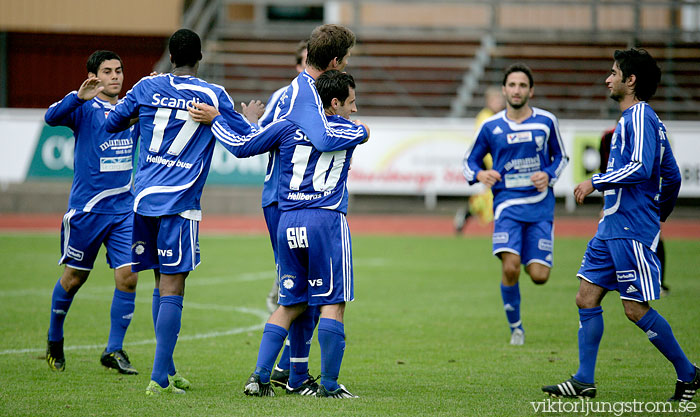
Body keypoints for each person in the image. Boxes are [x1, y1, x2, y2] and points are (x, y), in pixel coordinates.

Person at [105, 28, 262, 396]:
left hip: (142, 200)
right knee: (174, 285)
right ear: (200, 58)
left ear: (170, 57)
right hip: (179, 203)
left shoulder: (146, 86)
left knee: (160, 282)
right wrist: (250, 120)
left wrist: (147, 102)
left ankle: (169, 369)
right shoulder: (214, 95)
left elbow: (113, 123)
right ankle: (158, 380)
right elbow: (244, 143)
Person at [542, 49, 697, 401]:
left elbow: (644, 168)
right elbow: (670, 177)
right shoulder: (638, 120)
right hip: (612, 225)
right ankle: (584, 380)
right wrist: (657, 212)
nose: (607, 78)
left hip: (629, 229)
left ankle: (689, 374)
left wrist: (597, 182)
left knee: (634, 308)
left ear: (631, 81)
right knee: (586, 296)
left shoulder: (639, 117)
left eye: (614, 73)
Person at [44, 50, 140, 375]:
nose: (115, 76)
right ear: (94, 76)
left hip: (124, 210)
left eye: (119, 70)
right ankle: (54, 338)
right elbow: (51, 117)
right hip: (87, 212)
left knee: (128, 278)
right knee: (74, 278)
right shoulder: (84, 108)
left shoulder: (132, 109)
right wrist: (76, 97)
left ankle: (113, 350)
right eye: (108, 71)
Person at [462, 63, 568, 346]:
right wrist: (480, 174)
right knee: (510, 268)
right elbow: (468, 162)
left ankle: (526, 253)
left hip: (540, 208)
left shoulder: (546, 122)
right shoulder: (490, 126)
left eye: (522, 85)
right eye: (512, 85)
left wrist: (548, 174)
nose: (517, 90)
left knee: (539, 276)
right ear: (504, 90)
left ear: (530, 91)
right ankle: (516, 328)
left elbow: (561, 157)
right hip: (506, 206)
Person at [600, 127, 669, 295]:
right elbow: (604, 168)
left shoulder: (647, 133)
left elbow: (663, 172)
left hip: (641, 199)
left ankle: (657, 282)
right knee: (609, 238)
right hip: (616, 199)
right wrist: (605, 203)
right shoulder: (607, 137)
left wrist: (660, 209)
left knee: (652, 238)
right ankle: (609, 280)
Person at [454, 86, 505, 233]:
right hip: (490, 163)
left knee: (492, 195)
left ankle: (466, 215)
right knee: (492, 195)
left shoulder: (500, 116)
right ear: (488, 101)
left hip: (497, 162)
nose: (498, 102)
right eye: (495, 99)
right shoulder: (485, 117)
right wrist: (492, 166)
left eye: (499, 99)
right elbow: (483, 145)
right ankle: (467, 214)